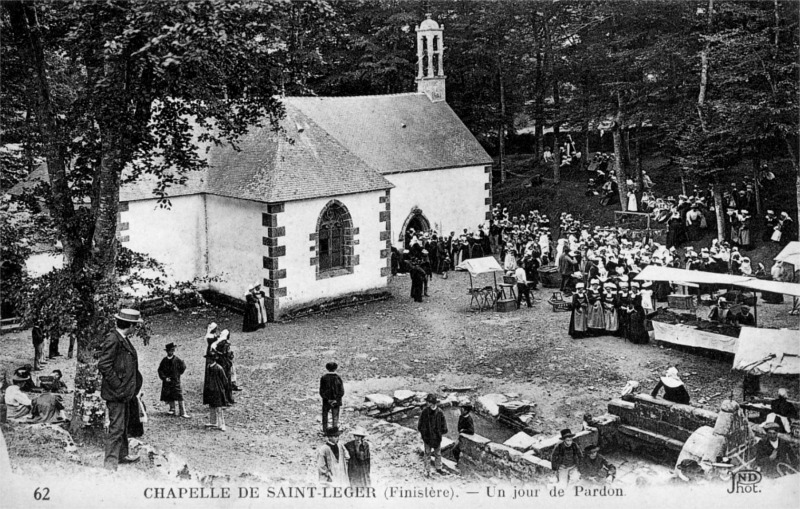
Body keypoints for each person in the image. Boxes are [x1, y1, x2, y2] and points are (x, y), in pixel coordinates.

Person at [97, 308, 143, 470]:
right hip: (116, 393)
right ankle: (110, 465)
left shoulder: (122, 338)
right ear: (129, 325)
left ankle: (122, 455)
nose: (136, 329)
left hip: (125, 393)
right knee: (116, 428)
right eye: (135, 326)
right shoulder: (113, 340)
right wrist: (118, 385)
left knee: (122, 425)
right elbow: (104, 365)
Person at [418, 393, 448, 477]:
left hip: (436, 437)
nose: (427, 403)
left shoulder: (440, 412)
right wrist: (424, 435)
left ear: (433, 403)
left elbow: (444, 426)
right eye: (427, 401)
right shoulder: (425, 412)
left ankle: (439, 468)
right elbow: (420, 425)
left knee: (437, 453)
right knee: (427, 453)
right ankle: (427, 470)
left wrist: (439, 433)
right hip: (427, 437)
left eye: (429, 401)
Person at [157, 342, 190, 418]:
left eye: (172, 350)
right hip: (167, 381)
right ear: (167, 351)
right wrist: (164, 378)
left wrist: (177, 375)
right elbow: (160, 370)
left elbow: (183, 367)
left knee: (179, 395)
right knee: (169, 394)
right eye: (169, 351)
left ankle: (183, 412)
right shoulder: (164, 360)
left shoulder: (177, 360)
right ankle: (172, 409)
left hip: (175, 381)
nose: (170, 352)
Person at [202, 351, 230, 431]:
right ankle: (213, 422)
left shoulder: (219, 368)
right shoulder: (208, 367)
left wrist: (221, 388)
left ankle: (222, 424)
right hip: (210, 390)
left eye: (209, 358)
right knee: (211, 406)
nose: (208, 360)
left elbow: (225, 380)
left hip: (217, 390)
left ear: (213, 359)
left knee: (219, 408)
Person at [320, 362, 344, 432]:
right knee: (335, 416)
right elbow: (341, 391)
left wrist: (327, 399)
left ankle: (325, 430)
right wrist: (336, 400)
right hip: (336, 401)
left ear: (327, 368)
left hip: (326, 401)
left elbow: (321, 391)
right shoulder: (338, 378)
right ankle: (335, 430)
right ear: (335, 368)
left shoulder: (323, 378)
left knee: (325, 416)